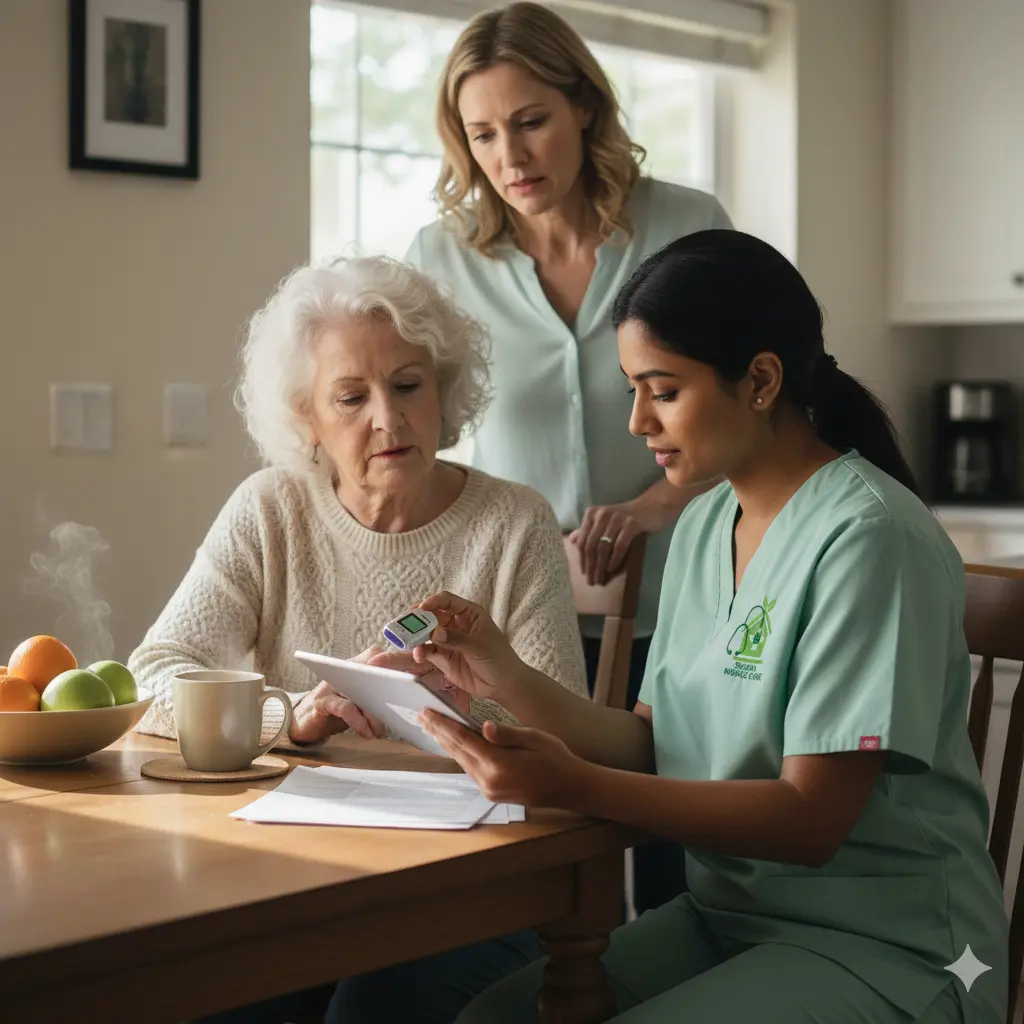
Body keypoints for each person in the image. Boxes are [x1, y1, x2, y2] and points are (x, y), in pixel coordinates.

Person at [373, 231, 1010, 1024]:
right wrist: (496, 673)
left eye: (662, 390)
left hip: (893, 948)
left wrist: (570, 783)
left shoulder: (869, 537)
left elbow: (811, 821)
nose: (638, 420)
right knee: (488, 1019)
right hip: (734, 920)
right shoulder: (708, 525)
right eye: (632, 389)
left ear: (762, 381)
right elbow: (652, 743)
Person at [128, 255, 587, 1024]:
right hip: (297, 871)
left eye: (409, 385)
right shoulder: (270, 510)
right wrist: (288, 717)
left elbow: (563, 736)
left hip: (469, 882)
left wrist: (474, 707)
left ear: (445, 388)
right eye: (351, 396)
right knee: (204, 992)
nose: (388, 417)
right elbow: (152, 675)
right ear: (305, 415)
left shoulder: (515, 522)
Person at [406, 0, 732, 911]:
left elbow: (754, 403)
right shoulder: (440, 259)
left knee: (680, 866)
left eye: (531, 121)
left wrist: (652, 509)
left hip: (691, 597)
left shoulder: (688, 226)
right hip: (523, 619)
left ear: (584, 107)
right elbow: (417, 427)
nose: (508, 157)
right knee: (541, 870)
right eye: (482, 135)